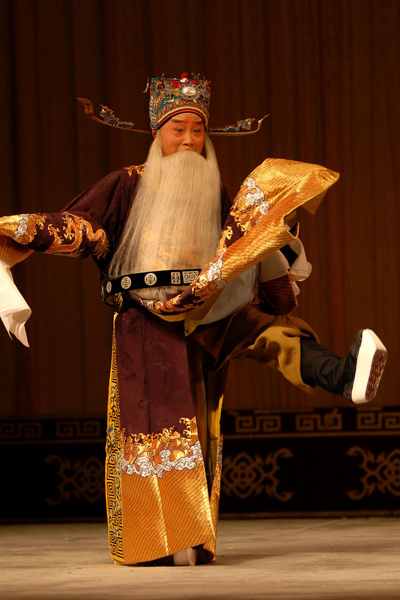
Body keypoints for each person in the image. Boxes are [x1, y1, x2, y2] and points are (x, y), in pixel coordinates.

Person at [0, 73, 387, 566]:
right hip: (149, 317)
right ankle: (164, 540)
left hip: (211, 304)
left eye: (197, 130)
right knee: (171, 425)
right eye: (177, 129)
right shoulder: (124, 184)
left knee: (274, 335)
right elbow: (81, 227)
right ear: (157, 133)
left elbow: (241, 247)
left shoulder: (212, 187)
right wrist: (22, 230)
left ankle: (343, 375)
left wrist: (277, 259)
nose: (188, 140)